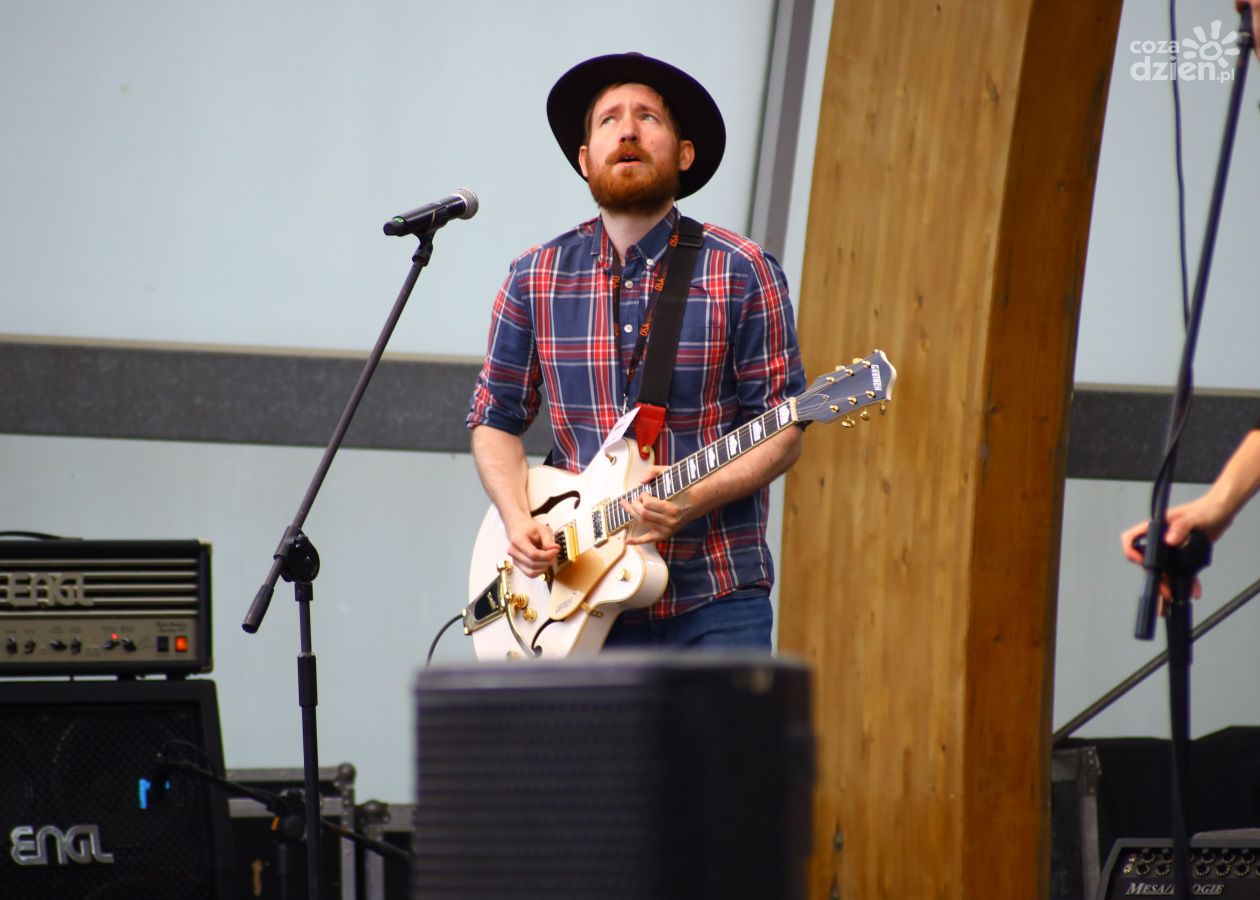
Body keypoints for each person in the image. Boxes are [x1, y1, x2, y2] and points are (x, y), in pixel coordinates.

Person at [467, 52, 807, 650]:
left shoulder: (742, 270)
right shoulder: (534, 278)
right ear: (585, 160)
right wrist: (518, 522)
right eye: (609, 120)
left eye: (648, 117)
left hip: (716, 595)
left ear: (684, 154)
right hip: (575, 600)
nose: (628, 130)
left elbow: (782, 427)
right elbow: (494, 420)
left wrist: (693, 498)